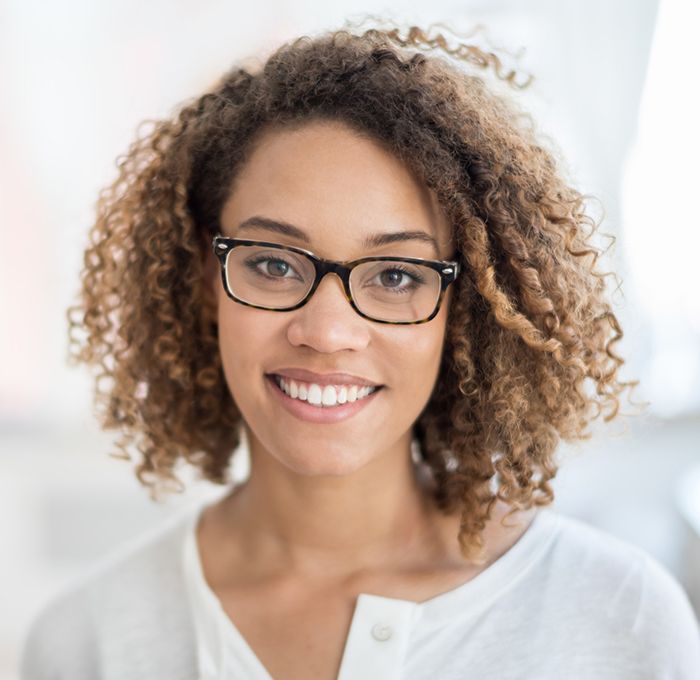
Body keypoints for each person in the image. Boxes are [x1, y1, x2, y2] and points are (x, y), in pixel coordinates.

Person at [20, 22, 700, 680]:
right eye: (274, 265)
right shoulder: (88, 641)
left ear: (464, 308)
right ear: (205, 274)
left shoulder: (617, 617)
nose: (326, 331)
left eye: (396, 276)